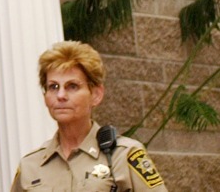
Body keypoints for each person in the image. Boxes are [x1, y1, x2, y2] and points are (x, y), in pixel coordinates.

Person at [10, 41, 168, 191]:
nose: (61, 95)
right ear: (45, 97)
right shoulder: (30, 166)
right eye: (53, 87)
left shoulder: (123, 156)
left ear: (96, 95)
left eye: (72, 86)